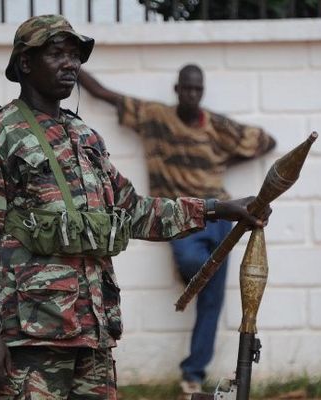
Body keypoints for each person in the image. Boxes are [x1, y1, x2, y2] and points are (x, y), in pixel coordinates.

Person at [0, 14, 270, 400]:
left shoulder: (85, 137)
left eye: (75, 56)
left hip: (93, 335)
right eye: (57, 54)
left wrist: (218, 209)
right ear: (25, 63)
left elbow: (136, 211)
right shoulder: (0, 132)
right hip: (30, 340)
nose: (70, 64)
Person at [78, 64, 276, 396]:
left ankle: (193, 375)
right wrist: (73, 62)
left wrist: (221, 162)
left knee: (211, 304)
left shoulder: (215, 124)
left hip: (224, 215)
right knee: (190, 263)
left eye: (198, 90)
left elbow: (267, 142)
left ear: (202, 92)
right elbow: (103, 94)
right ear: (177, 89)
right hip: (183, 217)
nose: (192, 95)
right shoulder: (154, 117)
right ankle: (193, 281)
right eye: (187, 88)